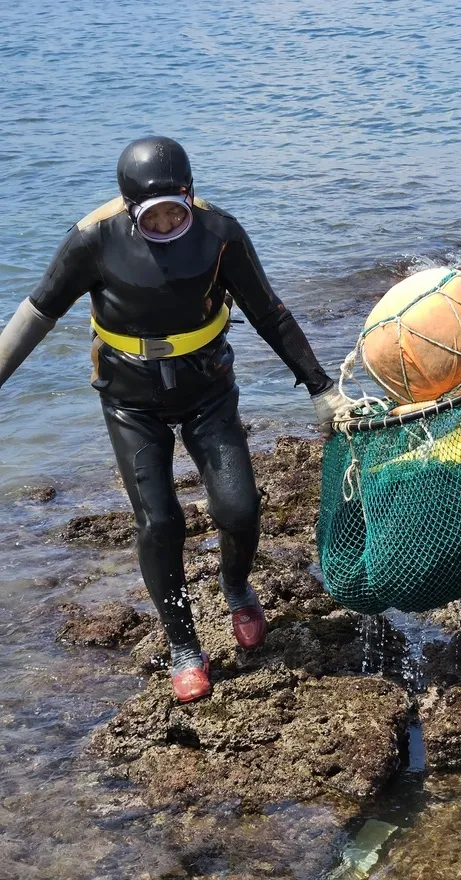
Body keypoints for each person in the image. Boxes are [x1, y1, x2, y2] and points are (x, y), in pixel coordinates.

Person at [0, 137, 348, 702]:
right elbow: (37, 313)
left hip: (208, 391)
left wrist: (321, 388)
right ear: (131, 213)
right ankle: (185, 645)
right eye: (152, 217)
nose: (165, 224)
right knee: (159, 523)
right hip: (129, 400)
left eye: (175, 213)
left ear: (190, 197)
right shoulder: (93, 239)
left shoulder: (219, 235)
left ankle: (236, 588)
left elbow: (270, 313)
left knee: (240, 506)